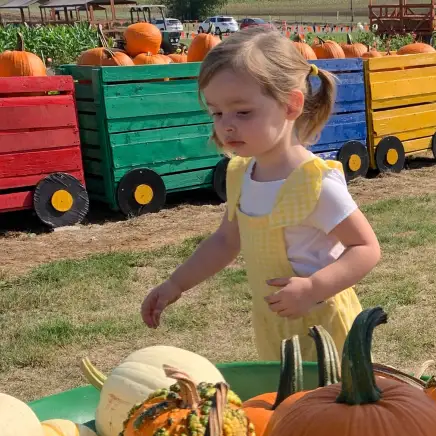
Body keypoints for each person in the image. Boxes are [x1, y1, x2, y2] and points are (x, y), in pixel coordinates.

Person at [141, 28, 380, 361]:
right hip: (275, 328)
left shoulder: (314, 182)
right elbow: (226, 241)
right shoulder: (240, 174)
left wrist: (313, 289)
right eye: (217, 112)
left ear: (291, 105)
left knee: (333, 413)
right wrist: (175, 284)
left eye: (242, 112)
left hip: (326, 329)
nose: (226, 125)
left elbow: (365, 248)